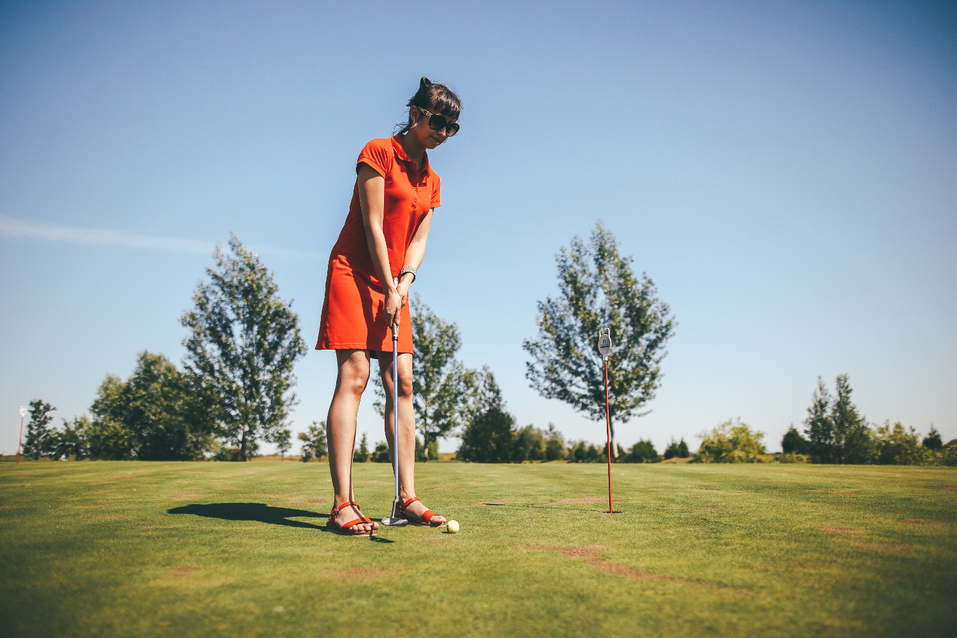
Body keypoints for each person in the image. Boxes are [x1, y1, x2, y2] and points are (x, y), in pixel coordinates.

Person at [315, 77, 461, 536]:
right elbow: (373, 225)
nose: (443, 131)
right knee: (354, 375)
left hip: (395, 282)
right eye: (438, 120)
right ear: (415, 113)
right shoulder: (378, 152)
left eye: (452, 127)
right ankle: (343, 504)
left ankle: (405, 499)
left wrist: (405, 281)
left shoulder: (432, 179)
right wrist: (388, 282)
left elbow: (417, 240)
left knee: (401, 380)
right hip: (355, 272)